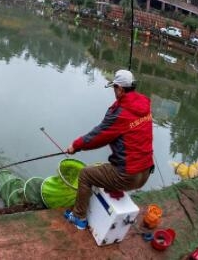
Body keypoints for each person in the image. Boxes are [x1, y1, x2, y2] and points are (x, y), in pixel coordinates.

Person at [64, 69, 153, 229]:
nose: (113, 91)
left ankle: (79, 218)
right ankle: (111, 194)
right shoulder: (144, 105)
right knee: (105, 167)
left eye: (114, 88)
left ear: (120, 89)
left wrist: (75, 146)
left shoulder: (119, 113)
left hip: (127, 176)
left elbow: (98, 136)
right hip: (145, 174)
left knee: (85, 174)